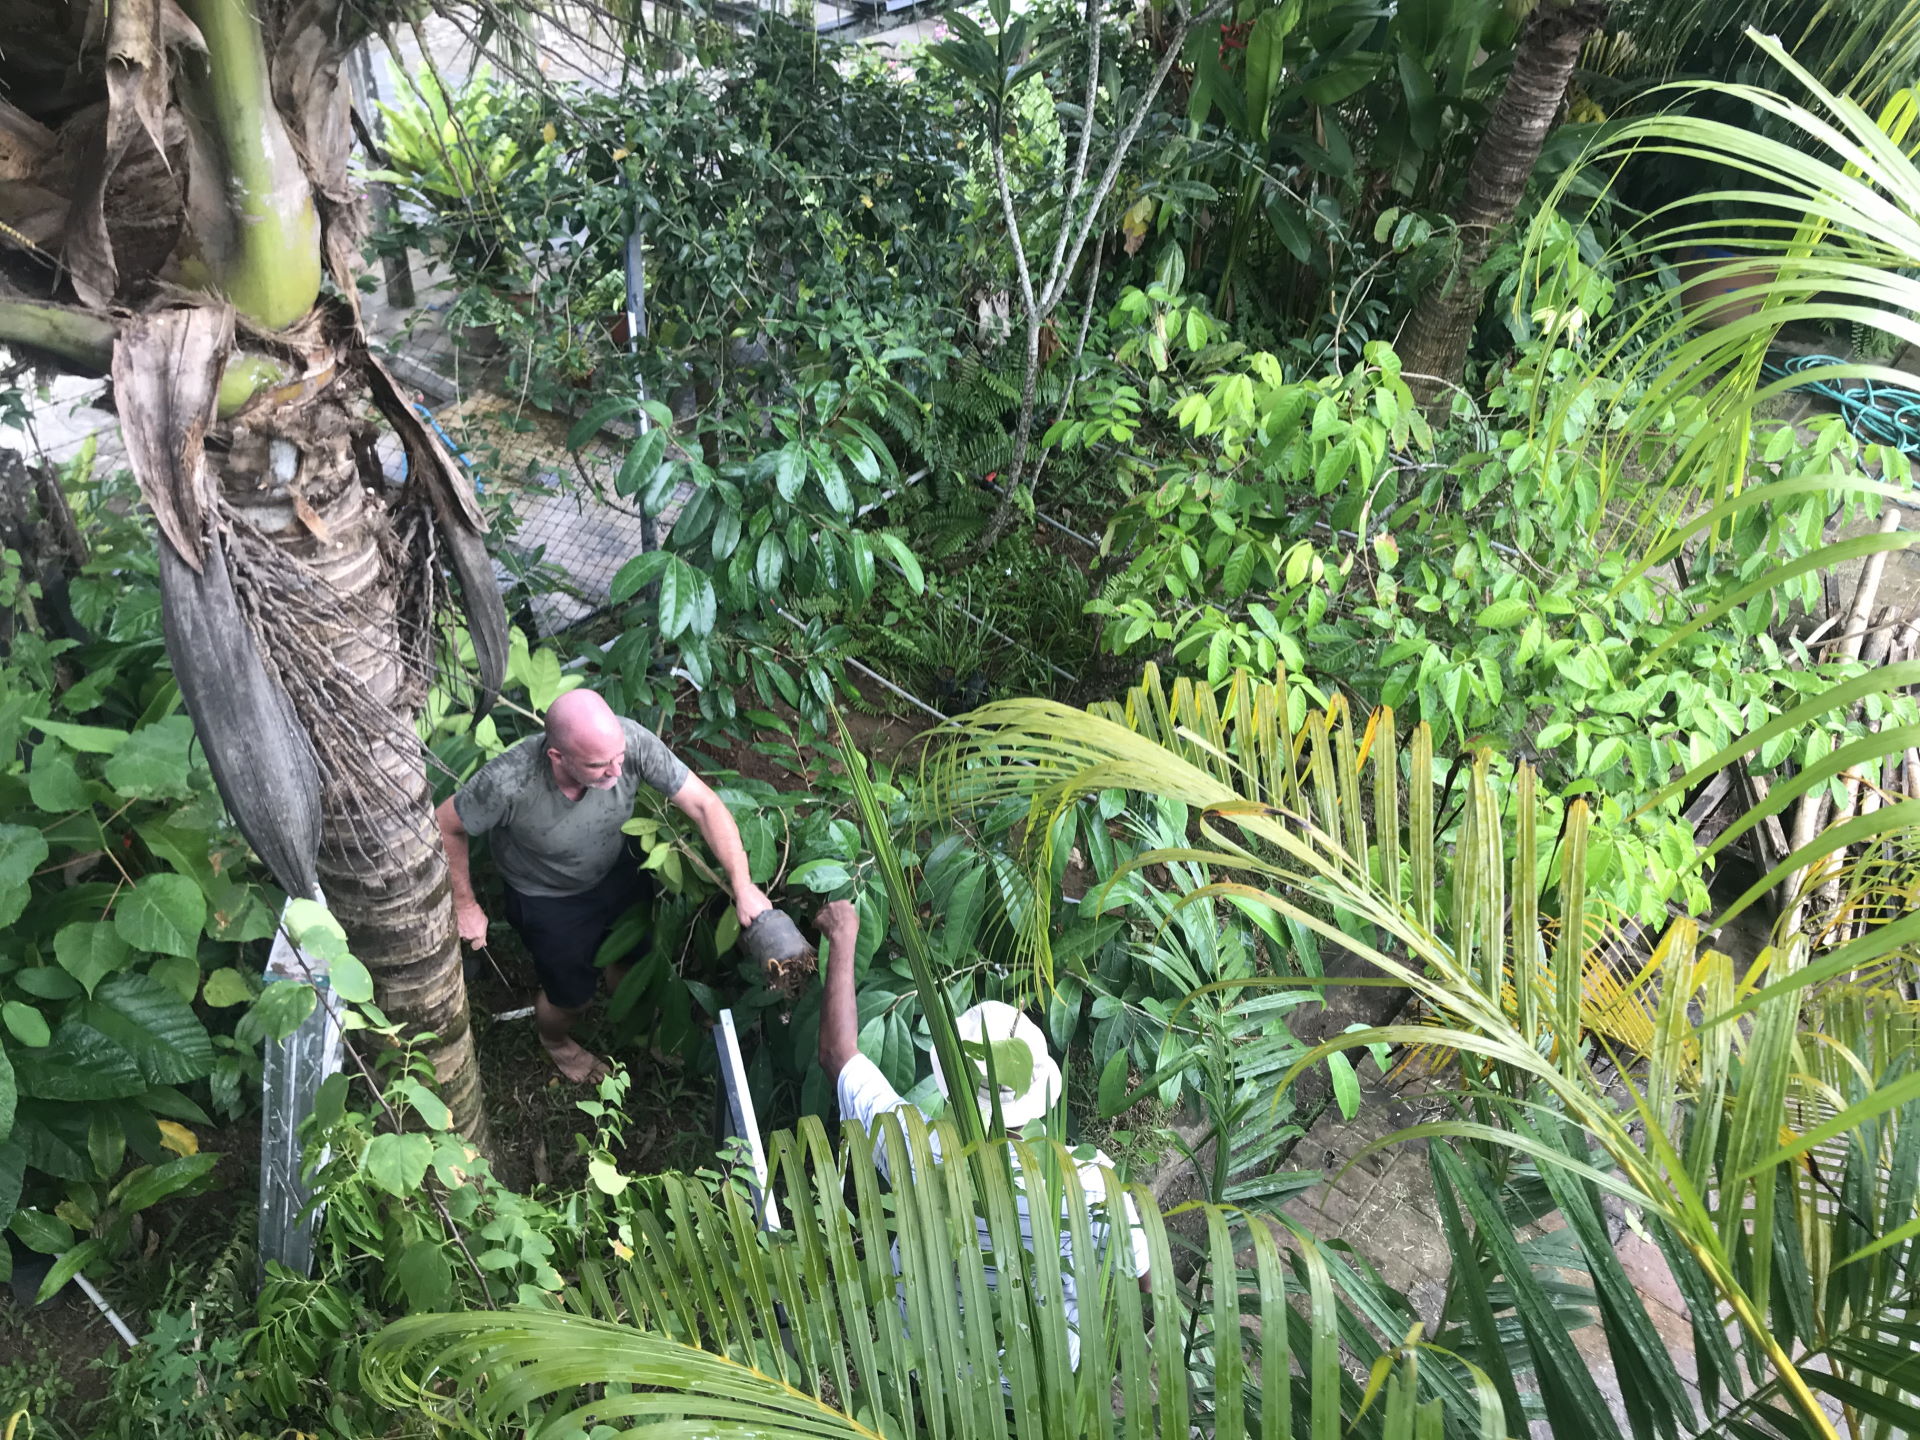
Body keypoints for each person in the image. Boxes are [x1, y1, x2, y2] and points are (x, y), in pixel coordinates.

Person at [814, 898, 1150, 1367]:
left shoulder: (914, 1146)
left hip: (928, 1368)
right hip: (1040, 1389)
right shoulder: (1091, 1181)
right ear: (1039, 1091)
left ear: (952, 1085)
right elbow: (1142, 1280)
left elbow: (837, 1052)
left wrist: (844, 936)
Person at [437, 688, 770, 1082]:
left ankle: (633, 1015)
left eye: (620, 760)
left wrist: (744, 884)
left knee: (632, 955)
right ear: (557, 757)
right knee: (570, 996)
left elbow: (704, 804)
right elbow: (446, 824)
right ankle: (556, 1042)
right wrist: (465, 904)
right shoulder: (509, 780)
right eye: (598, 766)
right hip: (547, 896)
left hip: (616, 868)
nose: (616, 773)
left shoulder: (629, 741)